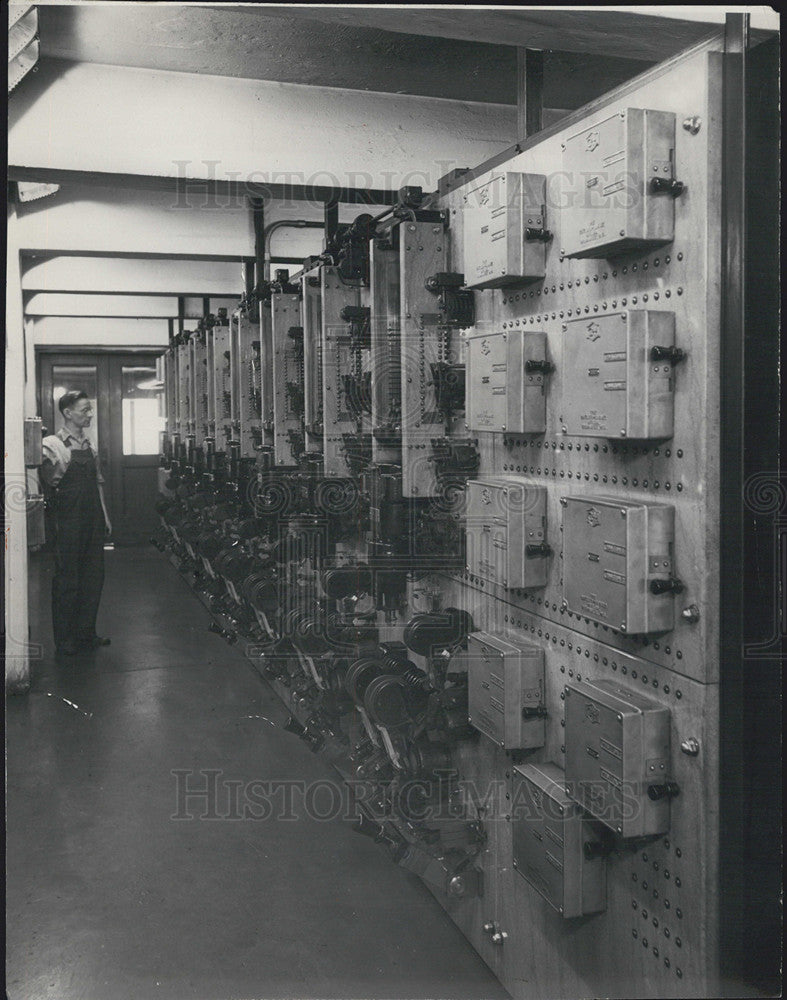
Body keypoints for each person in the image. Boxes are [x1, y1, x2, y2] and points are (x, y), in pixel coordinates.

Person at [40, 390, 112, 656]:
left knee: (93, 576)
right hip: (68, 518)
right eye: (85, 410)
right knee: (67, 578)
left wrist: (104, 515)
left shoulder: (89, 443)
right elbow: (41, 471)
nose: (90, 414)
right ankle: (65, 640)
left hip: (92, 517)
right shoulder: (53, 444)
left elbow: (98, 481)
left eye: (90, 409)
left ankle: (85, 634)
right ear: (68, 413)